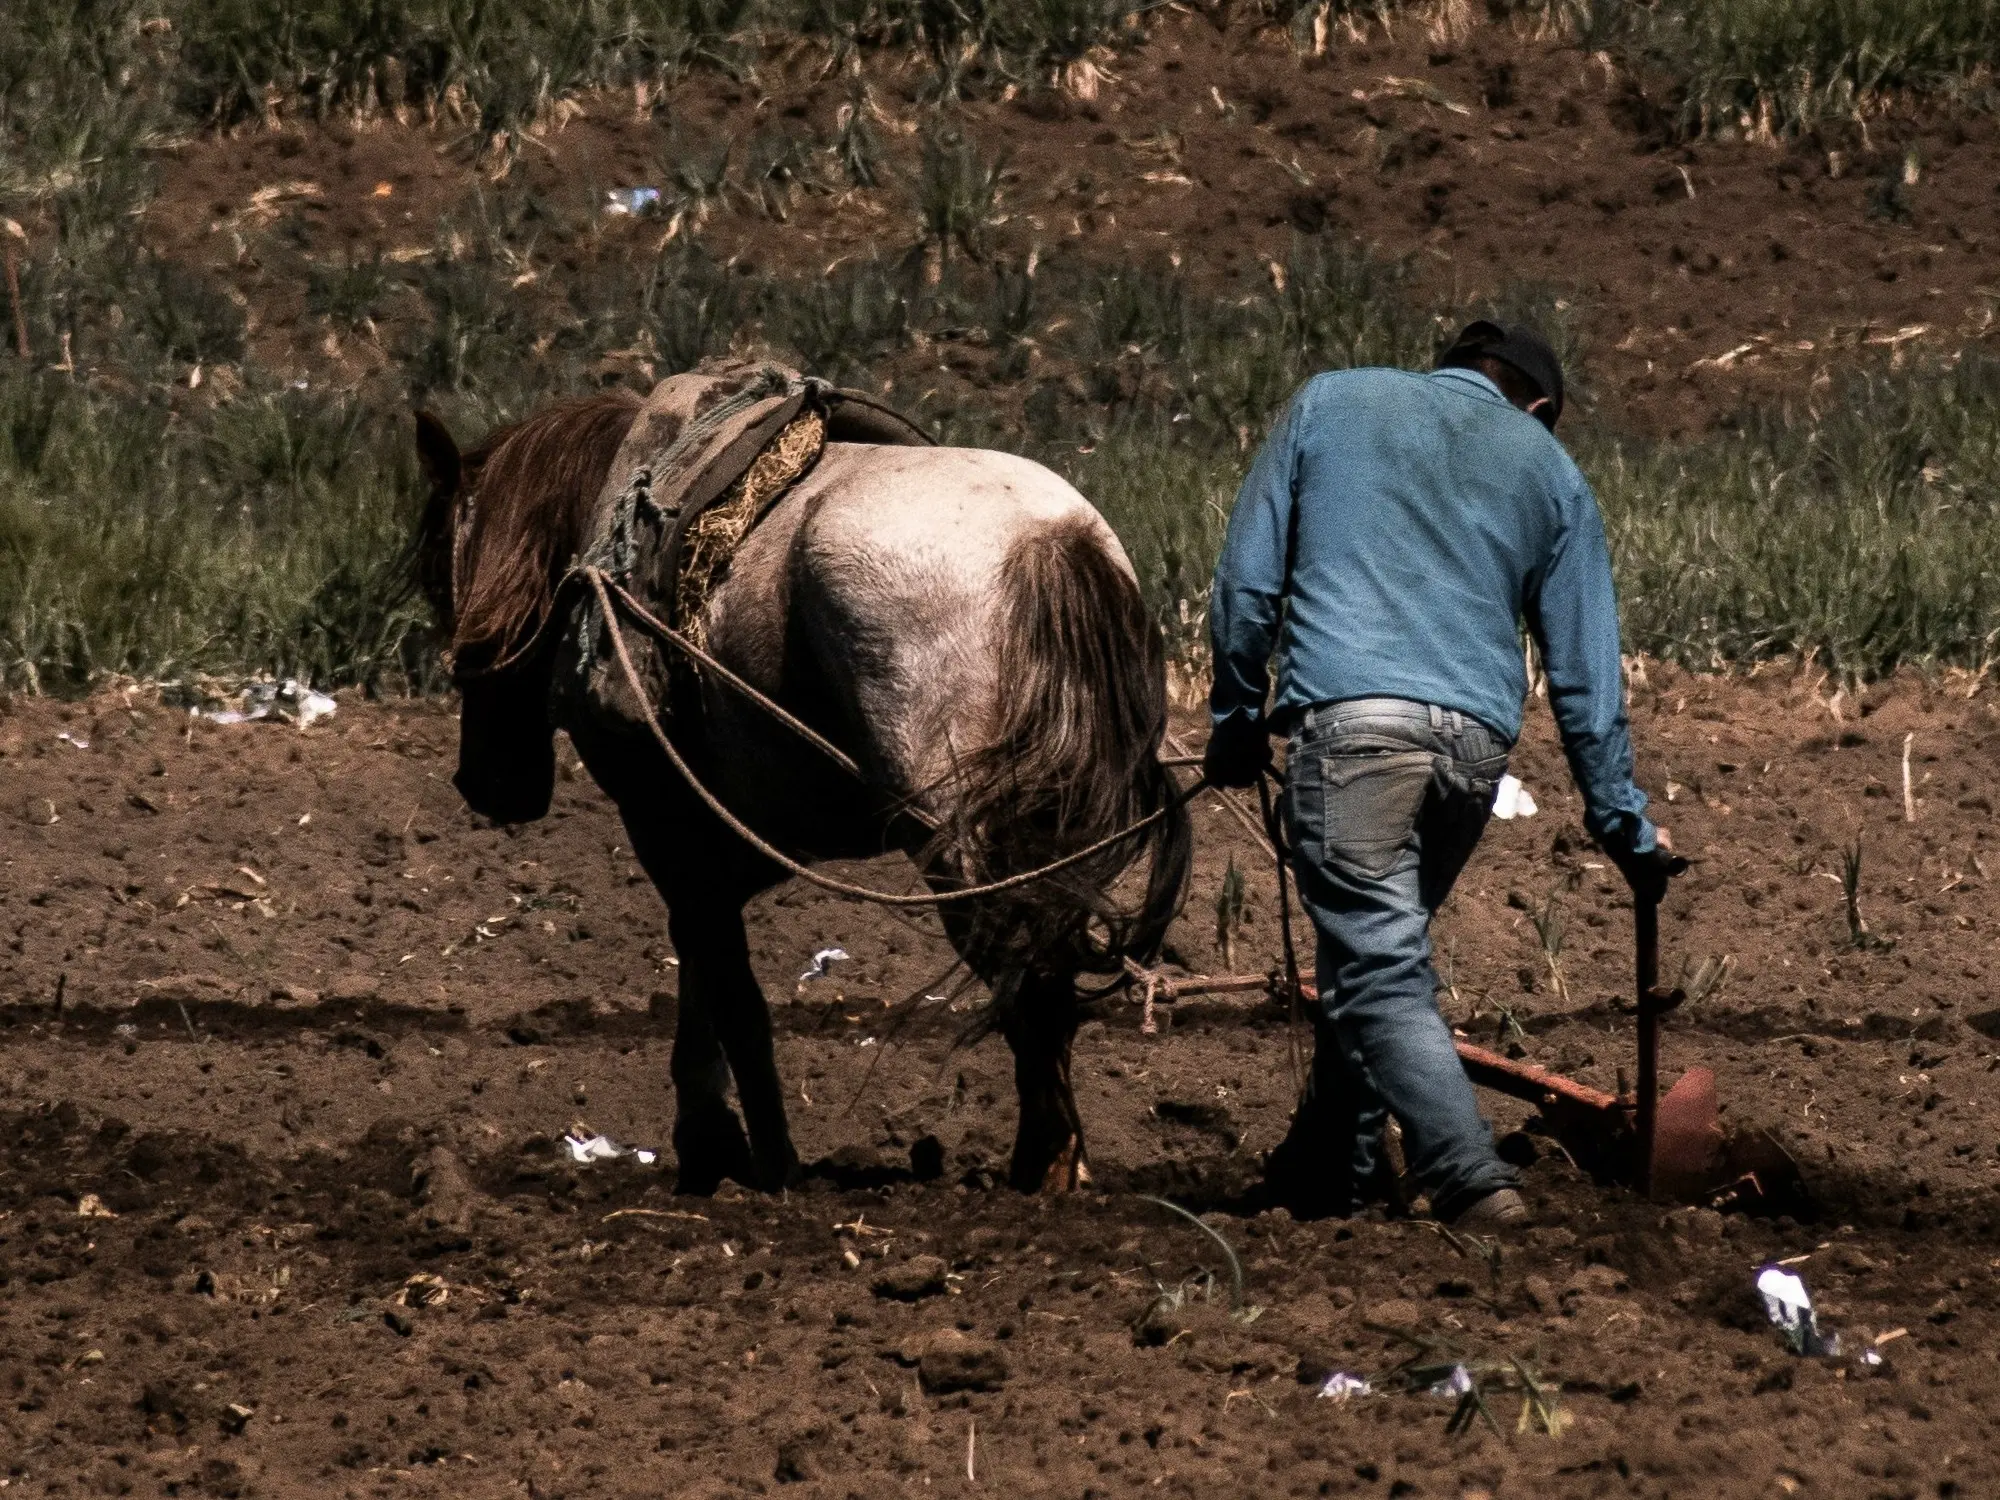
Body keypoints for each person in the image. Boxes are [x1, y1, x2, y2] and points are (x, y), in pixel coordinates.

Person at [1203, 320, 1679, 1228]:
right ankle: (1333, 1178)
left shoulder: (1330, 399)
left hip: (1352, 734)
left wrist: (1234, 719)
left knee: (1378, 970)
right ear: (1538, 406)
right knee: (1372, 954)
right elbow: (1585, 678)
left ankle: (1468, 1179)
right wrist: (1622, 824)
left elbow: (1247, 584)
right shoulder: (1555, 474)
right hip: (1472, 757)